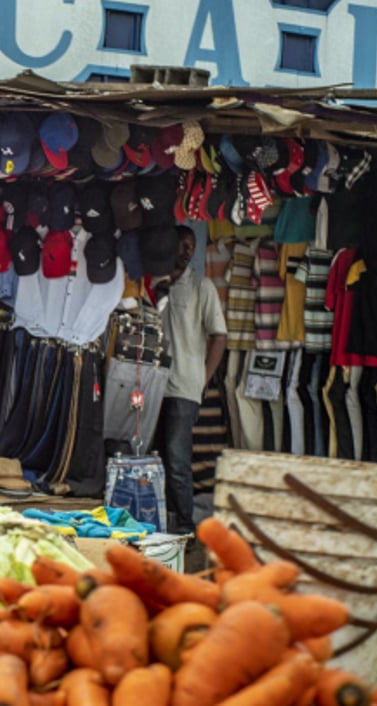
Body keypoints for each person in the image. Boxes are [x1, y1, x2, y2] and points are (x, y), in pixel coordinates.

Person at [158, 225, 227, 534]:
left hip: (184, 387)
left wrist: (203, 378)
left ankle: (184, 528)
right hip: (149, 385)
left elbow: (219, 336)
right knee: (147, 457)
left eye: (191, 246)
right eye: (181, 245)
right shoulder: (154, 283)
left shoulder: (203, 287)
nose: (186, 252)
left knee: (176, 461)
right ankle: (156, 522)